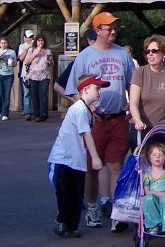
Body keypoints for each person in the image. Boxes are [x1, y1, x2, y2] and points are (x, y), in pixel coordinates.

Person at [65, 12, 136, 232]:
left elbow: (133, 85)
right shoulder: (85, 56)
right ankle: (93, 206)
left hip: (117, 118)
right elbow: (70, 90)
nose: (113, 31)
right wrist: (87, 106)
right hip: (94, 122)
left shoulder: (122, 54)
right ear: (97, 30)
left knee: (116, 165)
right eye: (109, 28)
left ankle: (117, 210)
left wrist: (132, 107)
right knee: (92, 167)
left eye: (115, 28)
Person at [48, 74, 108, 239]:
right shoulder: (80, 109)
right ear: (86, 90)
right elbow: (86, 134)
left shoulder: (87, 109)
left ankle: (71, 226)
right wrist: (95, 157)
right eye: (97, 88)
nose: (100, 92)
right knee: (64, 191)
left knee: (76, 193)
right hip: (63, 158)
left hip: (77, 160)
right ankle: (62, 220)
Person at [130, 35, 165, 135]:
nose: (150, 54)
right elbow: (133, 102)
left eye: (154, 51)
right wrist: (138, 120)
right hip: (142, 127)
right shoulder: (139, 72)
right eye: (147, 51)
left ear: (164, 53)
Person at [142, 142, 165, 236]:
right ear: (149, 158)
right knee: (147, 198)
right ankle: (154, 225)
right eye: (154, 155)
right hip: (153, 198)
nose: (157, 157)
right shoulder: (147, 176)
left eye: (160, 155)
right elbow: (146, 191)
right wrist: (159, 194)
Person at [54, 28, 97, 107]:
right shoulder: (80, 60)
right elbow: (57, 86)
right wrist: (79, 102)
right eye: (95, 42)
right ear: (89, 41)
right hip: (86, 111)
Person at [23, 34, 54, 122]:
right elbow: (27, 61)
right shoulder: (31, 50)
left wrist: (50, 61)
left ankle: (43, 113)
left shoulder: (47, 51)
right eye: (39, 41)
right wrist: (36, 53)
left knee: (43, 94)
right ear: (36, 42)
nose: (41, 42)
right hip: (33, 75)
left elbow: (51, 63)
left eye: (42, 41)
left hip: (45, 75)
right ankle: (36, 114)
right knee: (34, 95)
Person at [17, 29, 36, 120]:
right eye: (28, 37)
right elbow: (21, 58)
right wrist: (28, 47)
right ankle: (27, 112)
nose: (30, 39)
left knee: (34, 93)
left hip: (35, 73)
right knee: (26, 93)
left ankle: (34, 111)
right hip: (25, 73)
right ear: (24, 38)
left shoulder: (36, 46)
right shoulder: (22, 46)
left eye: (32, 37)